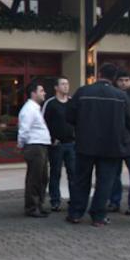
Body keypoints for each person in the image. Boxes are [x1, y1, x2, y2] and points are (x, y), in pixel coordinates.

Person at [66, 63, 130, 227]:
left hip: (85, 144)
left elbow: (69, 116)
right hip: (111, 146)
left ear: (99, 74)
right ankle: (98, 216)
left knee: (81, 180)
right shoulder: (121, 96)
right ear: (114, 78)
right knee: (105, 182)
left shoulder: (83, 92)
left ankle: (76, 213)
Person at [108, 70, 130, 215]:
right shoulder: (112, 96)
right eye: (121, 80)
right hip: (115, 141)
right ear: (116, 81)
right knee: (114, 175)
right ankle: (114, 202)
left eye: (126, 80)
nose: (123, 83)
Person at [17, 82, 51, 218]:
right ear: (33, 93)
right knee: (35, 178)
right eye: (41, 91)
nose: (44, 93)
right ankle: (32, 207)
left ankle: (38, 204)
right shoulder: (29, 109)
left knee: (42, 177)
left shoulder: (35, 108)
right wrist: (21, 145)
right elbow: (24, 129)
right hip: (34, 146)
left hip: (40, 145)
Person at [42, 76, 75, 212]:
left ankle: (74, 199)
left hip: (71, 144)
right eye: (62, 84)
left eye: (67, 84)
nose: (66, 86)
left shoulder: (72, 102)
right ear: (56, 87)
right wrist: (51, 139)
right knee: (55, 173)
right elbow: (43, 123)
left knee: (73, 173)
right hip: (57, 145)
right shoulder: (50, 103)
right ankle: (55, 201)